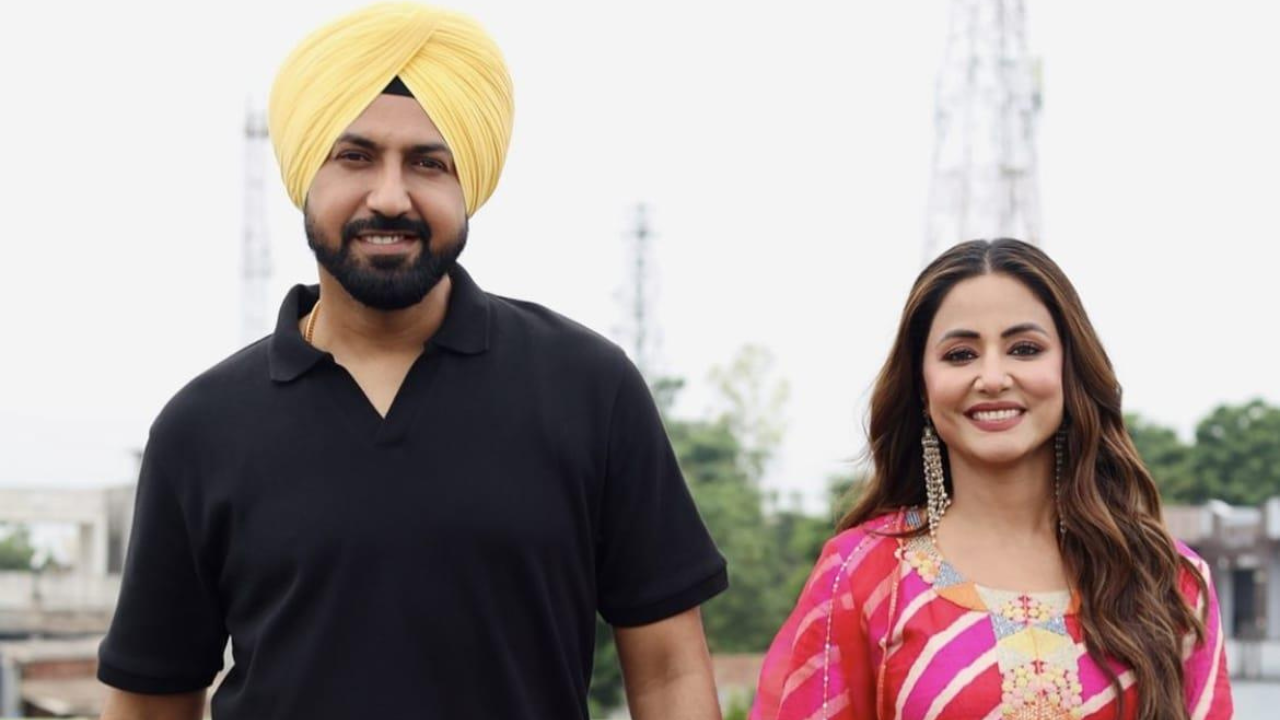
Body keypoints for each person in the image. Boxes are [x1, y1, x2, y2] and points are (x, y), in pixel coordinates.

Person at [97, 4, 727, 719]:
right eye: (355, 157)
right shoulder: (202, 428)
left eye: (428, 163)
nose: (390, 196)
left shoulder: (588, 389)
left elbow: (670, 673)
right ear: (305, 174)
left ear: (469, 184)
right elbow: (151, 700)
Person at [751, 240, 1232, 720]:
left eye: (1025, 349)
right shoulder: (864, 575)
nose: (993, 377)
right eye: (961, 355)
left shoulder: (1166, 579)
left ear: (1069, 370)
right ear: (922, 387)